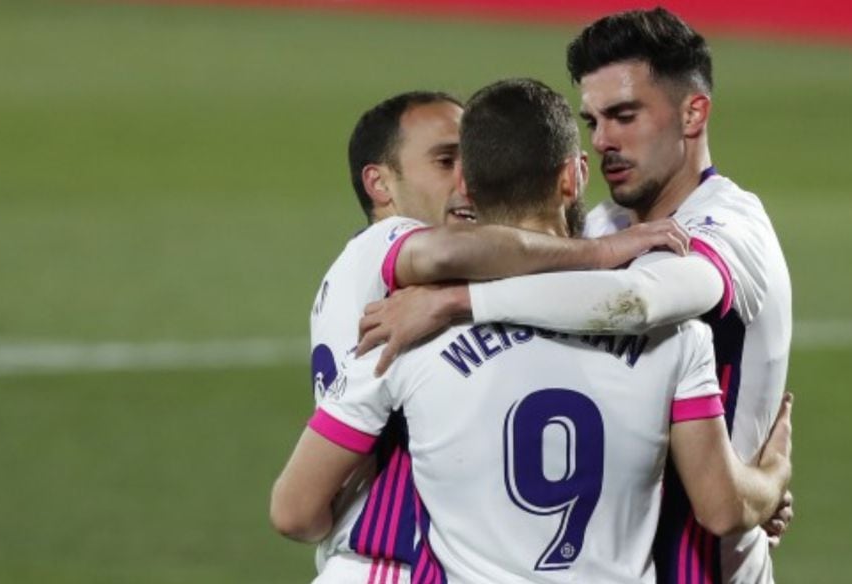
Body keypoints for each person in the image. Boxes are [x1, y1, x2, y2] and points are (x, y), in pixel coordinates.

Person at [273, 78, 792, 584]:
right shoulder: (676, 339)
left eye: (461, 161)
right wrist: (765, 483)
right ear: (574, 176)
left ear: (470, 188)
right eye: (442, 158)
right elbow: (720, 507)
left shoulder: (403, 331)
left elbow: (294, 511)